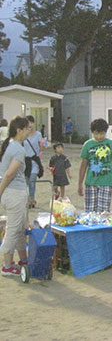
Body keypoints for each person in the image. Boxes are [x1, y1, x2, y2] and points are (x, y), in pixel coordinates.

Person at [0, 116, 30, 276]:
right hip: (14, 194)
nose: (29, 132)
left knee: (20, 228)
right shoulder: (18, 149)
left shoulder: (11, 145)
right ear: (19, 130)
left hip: (14, 193)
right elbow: (9, 174)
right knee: (13, 229)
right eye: (27, 129)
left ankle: (23, 259)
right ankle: (6, 265)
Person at [78, 119, 112, 212]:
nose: (99, 137)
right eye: (96, 133)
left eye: (102, 134)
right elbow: (83, 165)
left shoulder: (111, 144)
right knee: (90, 211)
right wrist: (80, 183)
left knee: (104, 212)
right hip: (91, 183)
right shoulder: (87, 145)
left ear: (106, 132)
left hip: (107, 182)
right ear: (92, 132)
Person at [24, 115, 44, 209]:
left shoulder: (38, 134)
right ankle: (27, 200)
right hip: (25, 161)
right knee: (25, 181)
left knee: (32, 180)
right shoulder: (23, 135)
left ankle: (31, 200)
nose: (30, 125)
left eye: (31, 123)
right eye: (28, 123)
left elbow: (43, 144)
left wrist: (43, 146)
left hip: (34, 161)